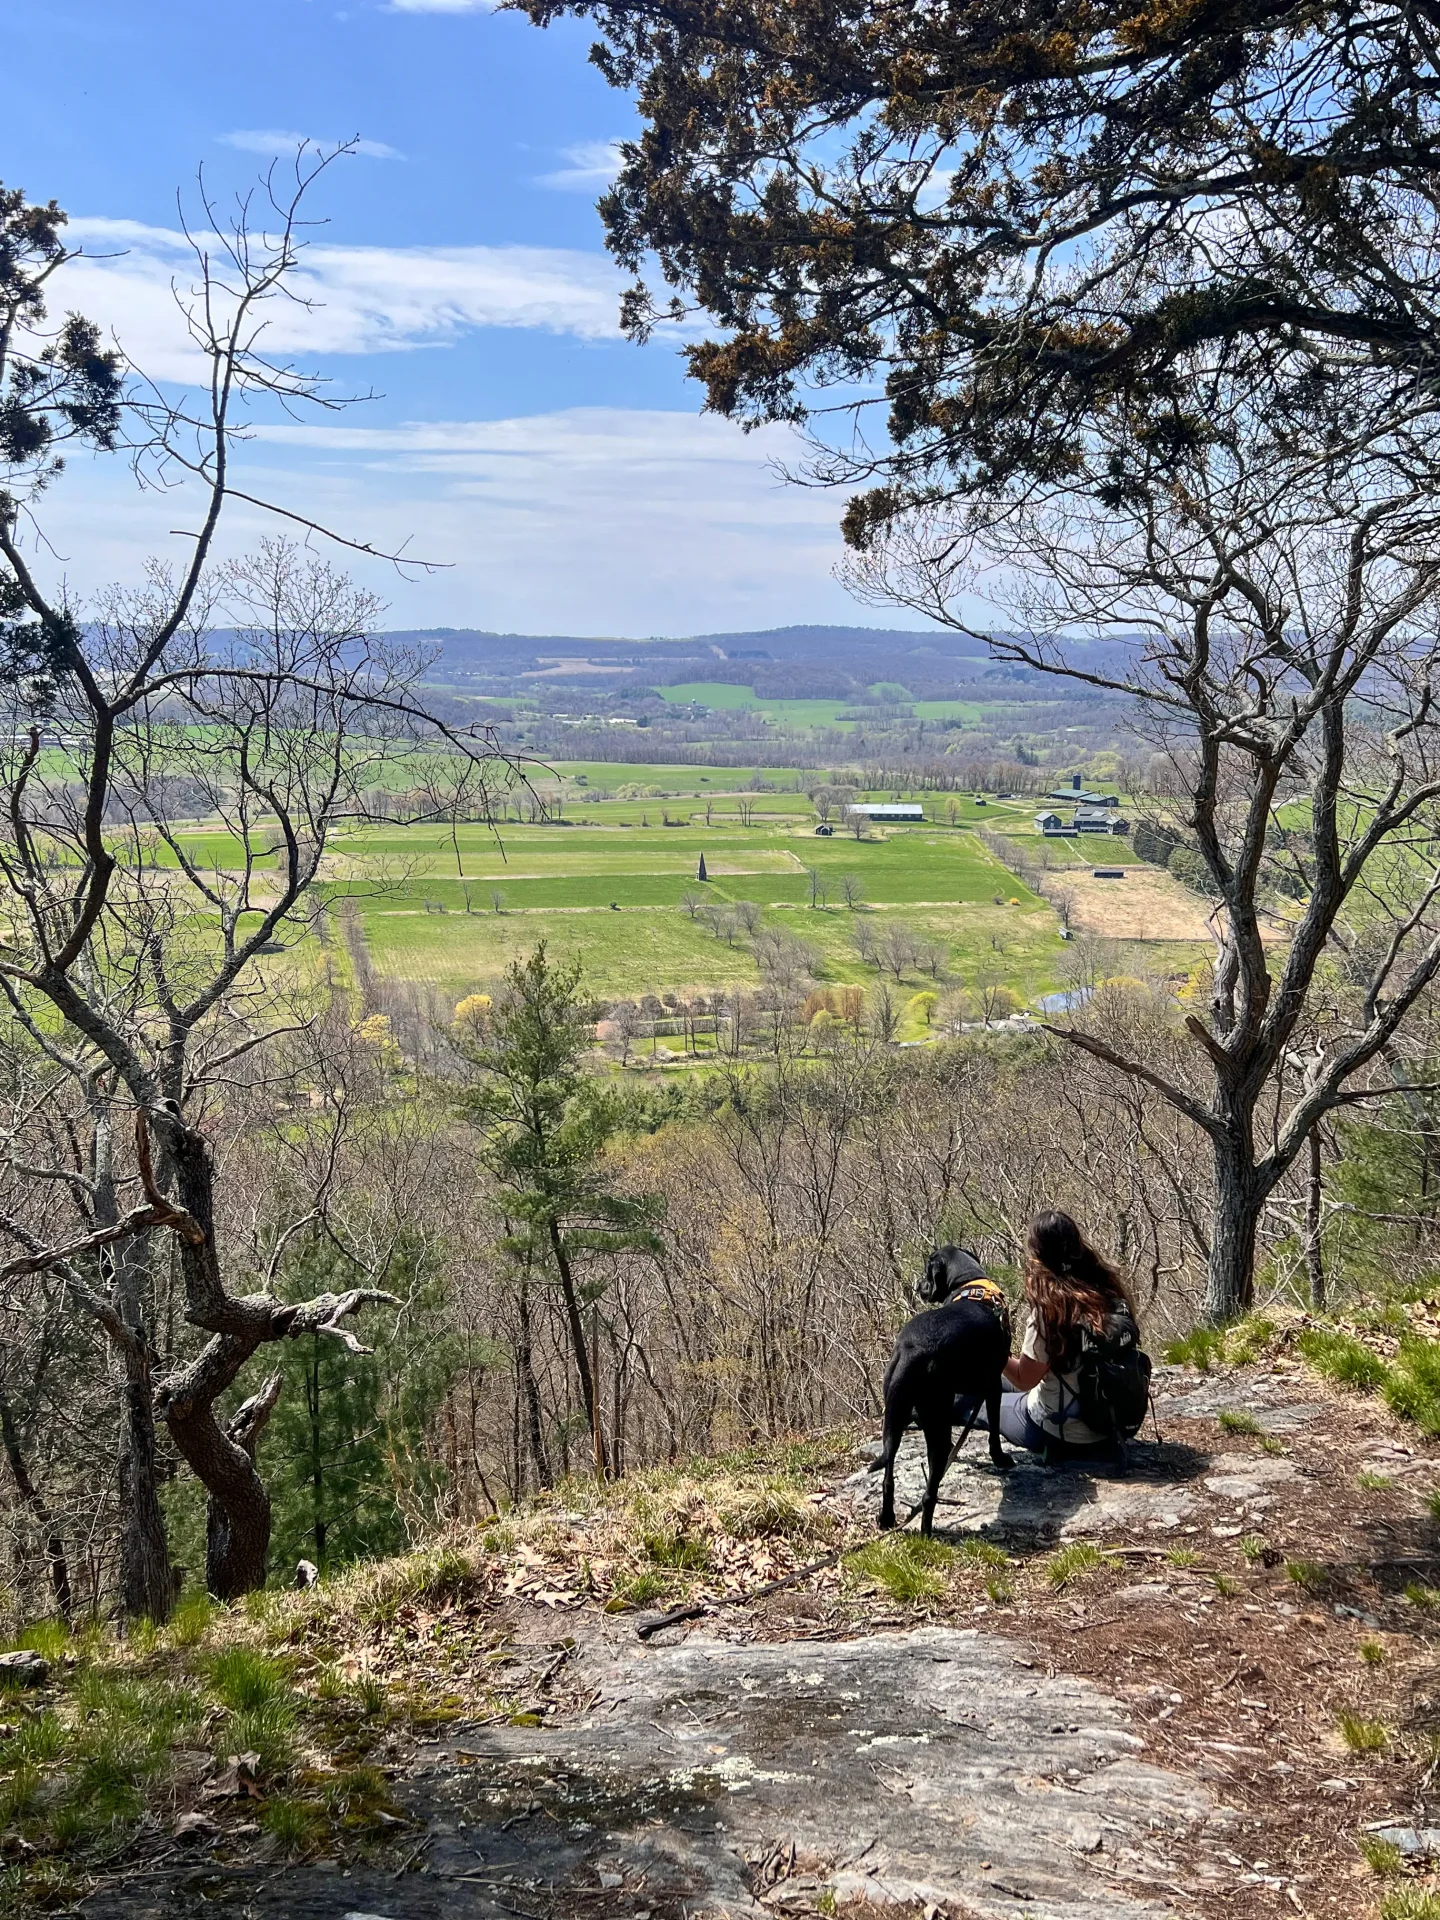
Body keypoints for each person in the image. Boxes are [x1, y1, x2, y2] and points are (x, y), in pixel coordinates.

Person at [961, 1210, 1148, 1455]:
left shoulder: (1052, 1307)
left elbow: (1024, 1378)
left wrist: (994, 1351)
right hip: (1111, 1425)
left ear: (1039, 1256)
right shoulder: (1108, 1291)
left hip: (1060, 1432)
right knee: (993, 1380)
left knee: (976, 1402)